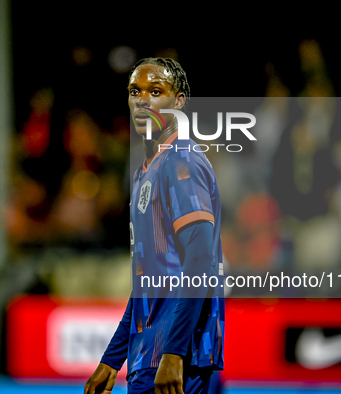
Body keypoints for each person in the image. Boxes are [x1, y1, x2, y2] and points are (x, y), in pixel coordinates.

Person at [84, 58, 224, 394]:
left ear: (179, 102)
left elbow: (201, 260)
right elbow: (150, 280)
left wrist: (174, 352)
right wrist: (113, 358)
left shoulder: (181, 160)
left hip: (174, 359)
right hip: (149, 357)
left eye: (156, 91)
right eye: (135, 91)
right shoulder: (145, 171)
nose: (142, 100)